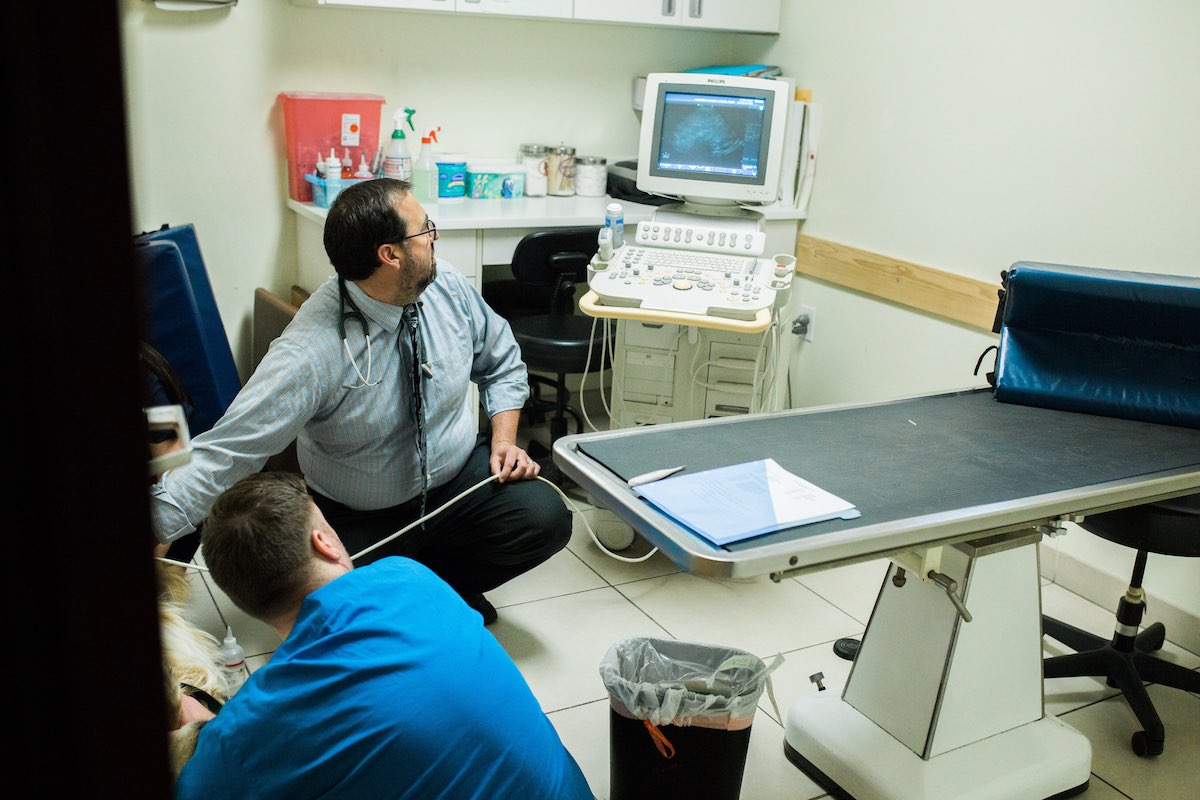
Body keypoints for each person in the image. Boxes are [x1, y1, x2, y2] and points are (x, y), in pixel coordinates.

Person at [149, 178, 570, 623]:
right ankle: (418, 596)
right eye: (425, 229)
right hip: (360, 516)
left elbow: (501, 360)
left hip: (457, 481)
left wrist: (504, 439)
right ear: (390, 255)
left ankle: (444, 590)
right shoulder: (310, 351)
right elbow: (228, 451)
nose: (434, 237)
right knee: (330, 604)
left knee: (544, 517)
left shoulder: (447, 285)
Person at [174, 472, 593, 799]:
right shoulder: (410, 576)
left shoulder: (249, 732)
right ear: (325, 542)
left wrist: (208, 734)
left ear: (241, 598)